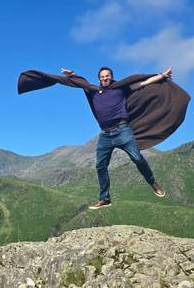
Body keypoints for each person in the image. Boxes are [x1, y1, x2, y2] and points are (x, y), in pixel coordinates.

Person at [60, 66, 170, 209]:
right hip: (105, 134)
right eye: (102, 76)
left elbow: (143, 83)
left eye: (107, 76)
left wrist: (162, 76)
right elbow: (82, 83)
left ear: (111, 77)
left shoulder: (120, 88)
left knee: (137, 158)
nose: (105, 78)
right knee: (100, 166)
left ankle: (153, 183)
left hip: (122, 130)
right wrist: (73, 74)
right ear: (99, 78)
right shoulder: (94, 91)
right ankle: (105, 199)